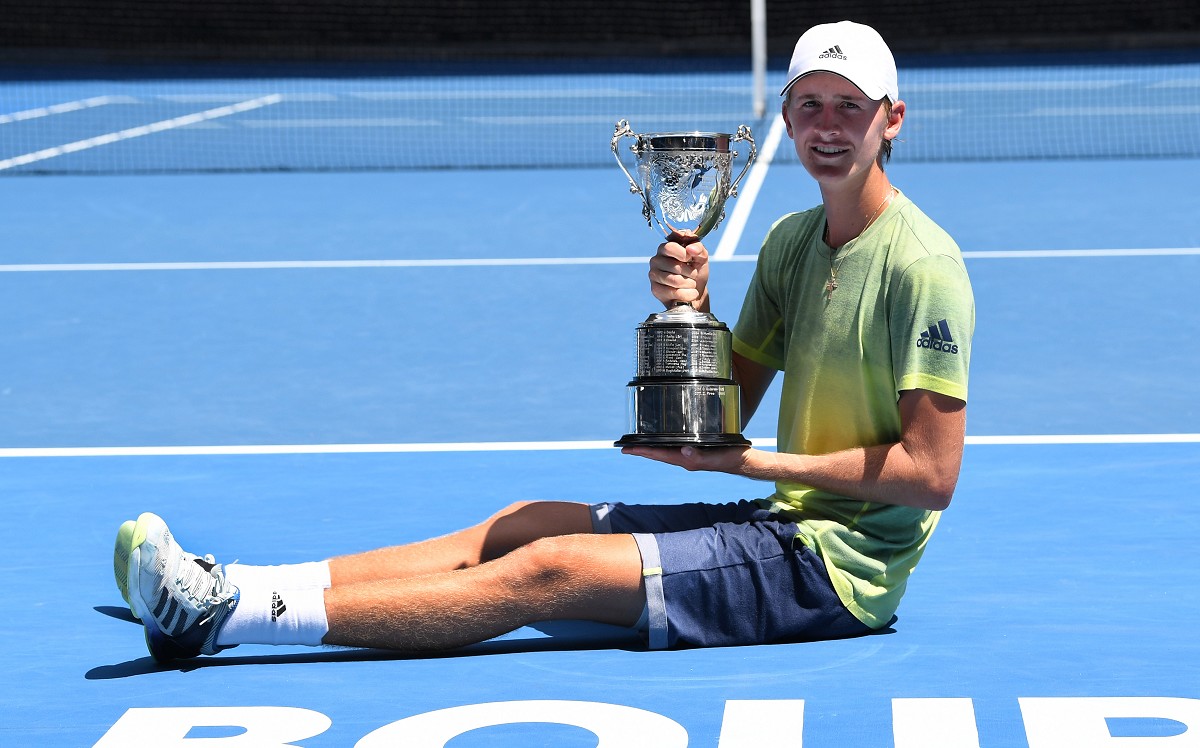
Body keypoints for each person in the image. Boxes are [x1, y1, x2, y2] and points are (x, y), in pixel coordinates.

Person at [113, 20, 974, 663]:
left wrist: (750, 466)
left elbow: (930, 478)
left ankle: (222, 615)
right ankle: (248, 580)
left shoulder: (922, 266)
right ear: (786, 117)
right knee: (519, 527)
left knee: (548, 570)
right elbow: (730, 408)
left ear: (891, 119)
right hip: (784, 522)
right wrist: (695, 315)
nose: (829, 126)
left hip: (836, 572)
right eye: (810, 105)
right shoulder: (792, 241)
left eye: (850, 108)